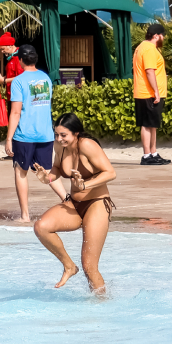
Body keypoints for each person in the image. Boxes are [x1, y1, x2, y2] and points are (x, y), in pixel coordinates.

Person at [28, 113, 117, 293]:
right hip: (74, 204)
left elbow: (110, 173)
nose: (59, 139)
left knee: (89, 266)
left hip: (97, 203)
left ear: (76, 133)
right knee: (41, 227)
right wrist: (47, 177)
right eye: (56, 135)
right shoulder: (60, 146)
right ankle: (69, 266)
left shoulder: (87, 145)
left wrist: (86, 184)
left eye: (63, 135)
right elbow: (58, 169)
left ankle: (102, 306)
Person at [7, 45, 55, 223]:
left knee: (20, 171)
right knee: (48, 173)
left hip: (25, 134)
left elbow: (15, 112)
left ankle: (25, 215)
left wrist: (9, 138)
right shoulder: (46, 78)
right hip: (45, 133)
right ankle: (68, 200)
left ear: (20, 60)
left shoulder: (18, 81)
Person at [132, 22, 168, 165]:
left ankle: (153, 153)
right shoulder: (148, 49)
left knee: (152, 124)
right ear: (156, 36)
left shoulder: (143, 47)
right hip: (147, 93)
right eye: (162, 36)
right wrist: (156, 91)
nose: (163, 39)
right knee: (147, 124)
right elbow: (149, 71)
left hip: (148, 93)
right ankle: (147, 155)